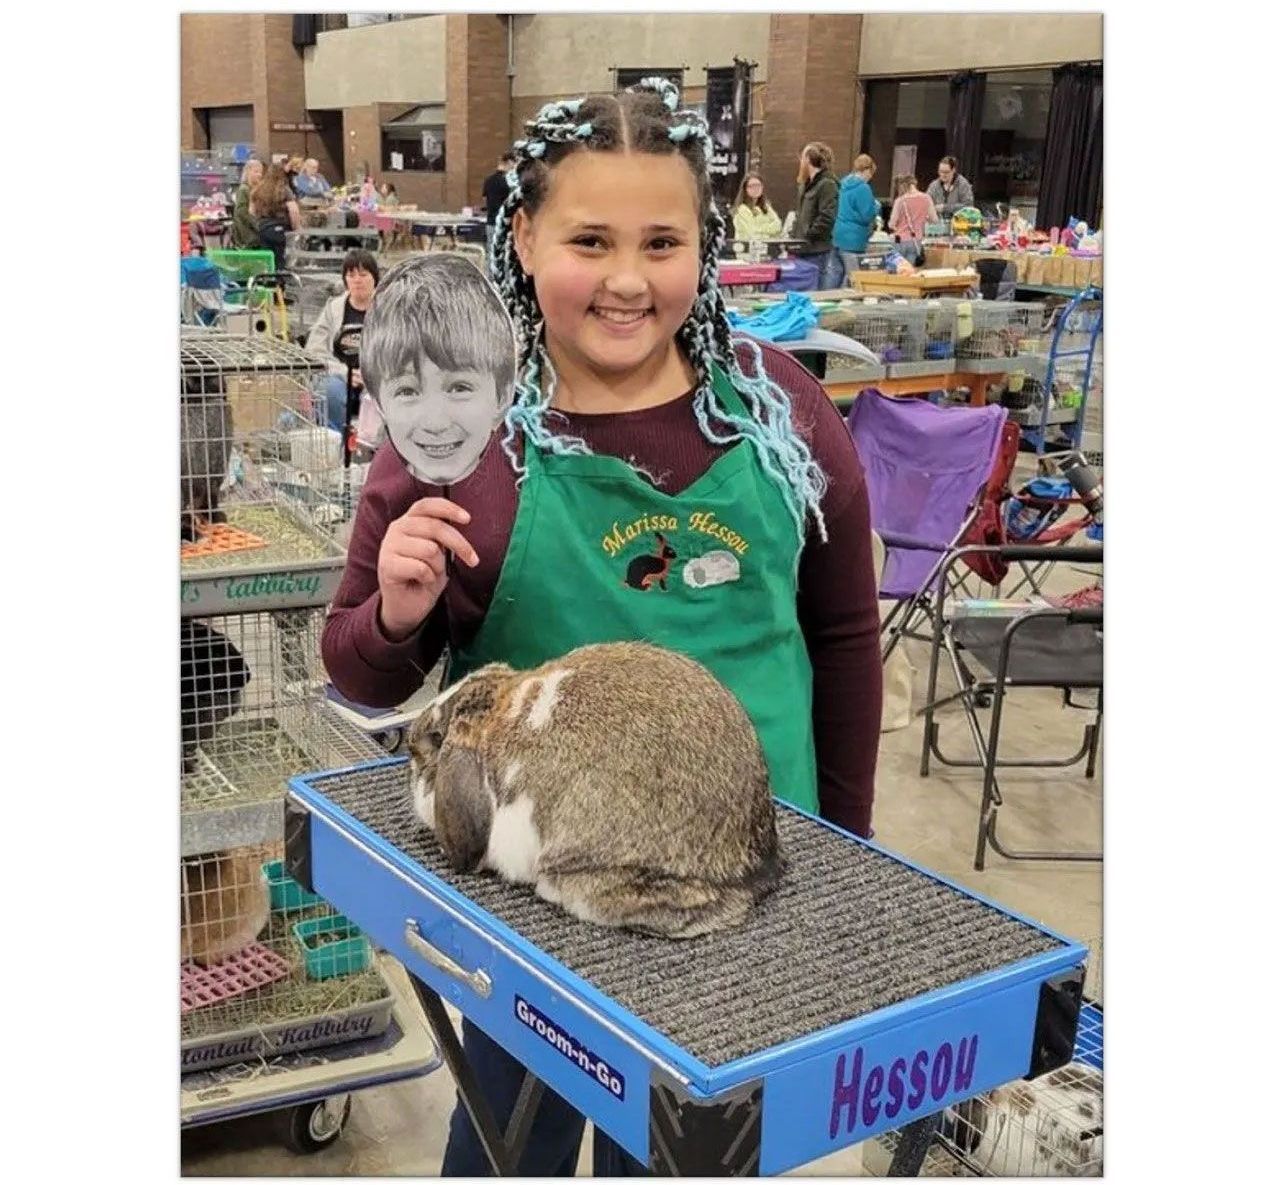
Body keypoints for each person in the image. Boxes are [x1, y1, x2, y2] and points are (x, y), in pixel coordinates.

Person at [322, 77, 882, 1178]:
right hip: (531, 915)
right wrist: (393, 613)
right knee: (507, 1147)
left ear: (704, 245)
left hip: (734, 889)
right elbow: (361, 672)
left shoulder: (777, 409)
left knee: (680, 1153)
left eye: (663, 242)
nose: (628, 280)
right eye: (589, 238)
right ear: (522, 235)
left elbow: (845, 641)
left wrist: (850, 856)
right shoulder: (461, 428)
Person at [361, 255, 515, 486]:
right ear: (379, 404)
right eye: (407, 392)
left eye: (459, 388)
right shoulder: (384, 478)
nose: (436, 423)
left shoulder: (524, 478)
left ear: (502, 394)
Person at [304, 249, 380, 433]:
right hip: (338, 375)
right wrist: (344, 372)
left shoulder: (388, 310)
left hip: (378, 377)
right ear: (345, 280)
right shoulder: (333, 309)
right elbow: (313, 351)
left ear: (375, 278)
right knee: (330, 391)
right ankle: (336, 445)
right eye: (351, 275)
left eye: (363, 274)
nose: (357, 280)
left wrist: (370, 375)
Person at [791, 141, 843, 290]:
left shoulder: (828, 184)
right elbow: (800, 215)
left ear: (808, 159)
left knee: (814, 291)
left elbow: (827, 216)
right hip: (802, 247)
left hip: (817, 250)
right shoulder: (806, 185)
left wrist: (809, 234)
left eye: (802, 158)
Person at [833, 153, 881, 279]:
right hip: (854, 240)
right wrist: (876, 207)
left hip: (837, 236)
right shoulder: (863, 188)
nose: (870, 178)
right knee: (854, 278)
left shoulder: (841, 184)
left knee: (837, 276)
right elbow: (867, 216)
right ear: (867, 170)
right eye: (871, 174)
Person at [249, 163, 301, 269]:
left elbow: (251, 211)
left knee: (267, 259)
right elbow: (293, 211)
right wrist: (296, 228)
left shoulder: (258, 189)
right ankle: (280, 281)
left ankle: (268, 280)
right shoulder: (284, 190)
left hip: (263, 228)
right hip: (281, 228)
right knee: (281, 259)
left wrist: (259, 223)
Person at [888, 174, 938, 264]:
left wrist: (897, 227)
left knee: (898, 269)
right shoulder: (927, 198)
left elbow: (891, 224)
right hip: (916, 241)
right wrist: (922, 219)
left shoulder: (900, 200)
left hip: (900, 240)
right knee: (909, 271)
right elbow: (934, 219)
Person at [731, 171, 783, 243]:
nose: (756, 189)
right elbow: (752, 234)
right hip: (747, 251)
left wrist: (759, 228)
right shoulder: (742, 209)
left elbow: (778, 225)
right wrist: (770, 232)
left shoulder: (766, 207)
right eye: (752, 186)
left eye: (758, 185)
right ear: (745, 189)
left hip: (766, 250)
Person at [482, 152, 517, 247]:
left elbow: (485, 199)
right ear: (510, 162)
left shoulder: (488, 180)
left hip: (491, 222)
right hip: (506, 224)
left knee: (491, 254)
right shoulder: (510, 182)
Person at [926, 155, 975, 220]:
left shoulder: (963, 184)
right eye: (940, 171)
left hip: (958, 224)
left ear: (953, 170)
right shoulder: (934, 185)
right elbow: (925, 203)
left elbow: (968, 206)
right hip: (937, 224)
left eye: (946, 172)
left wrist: (945, 208)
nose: (943, 175)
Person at [231, 158, 264, 249]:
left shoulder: (256, 189)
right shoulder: (244, 189)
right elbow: (241, 212)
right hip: (247, 234)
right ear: (248, 172)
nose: (259, 175)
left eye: (261, 172)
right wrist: (257, 225)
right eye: (256, 172)